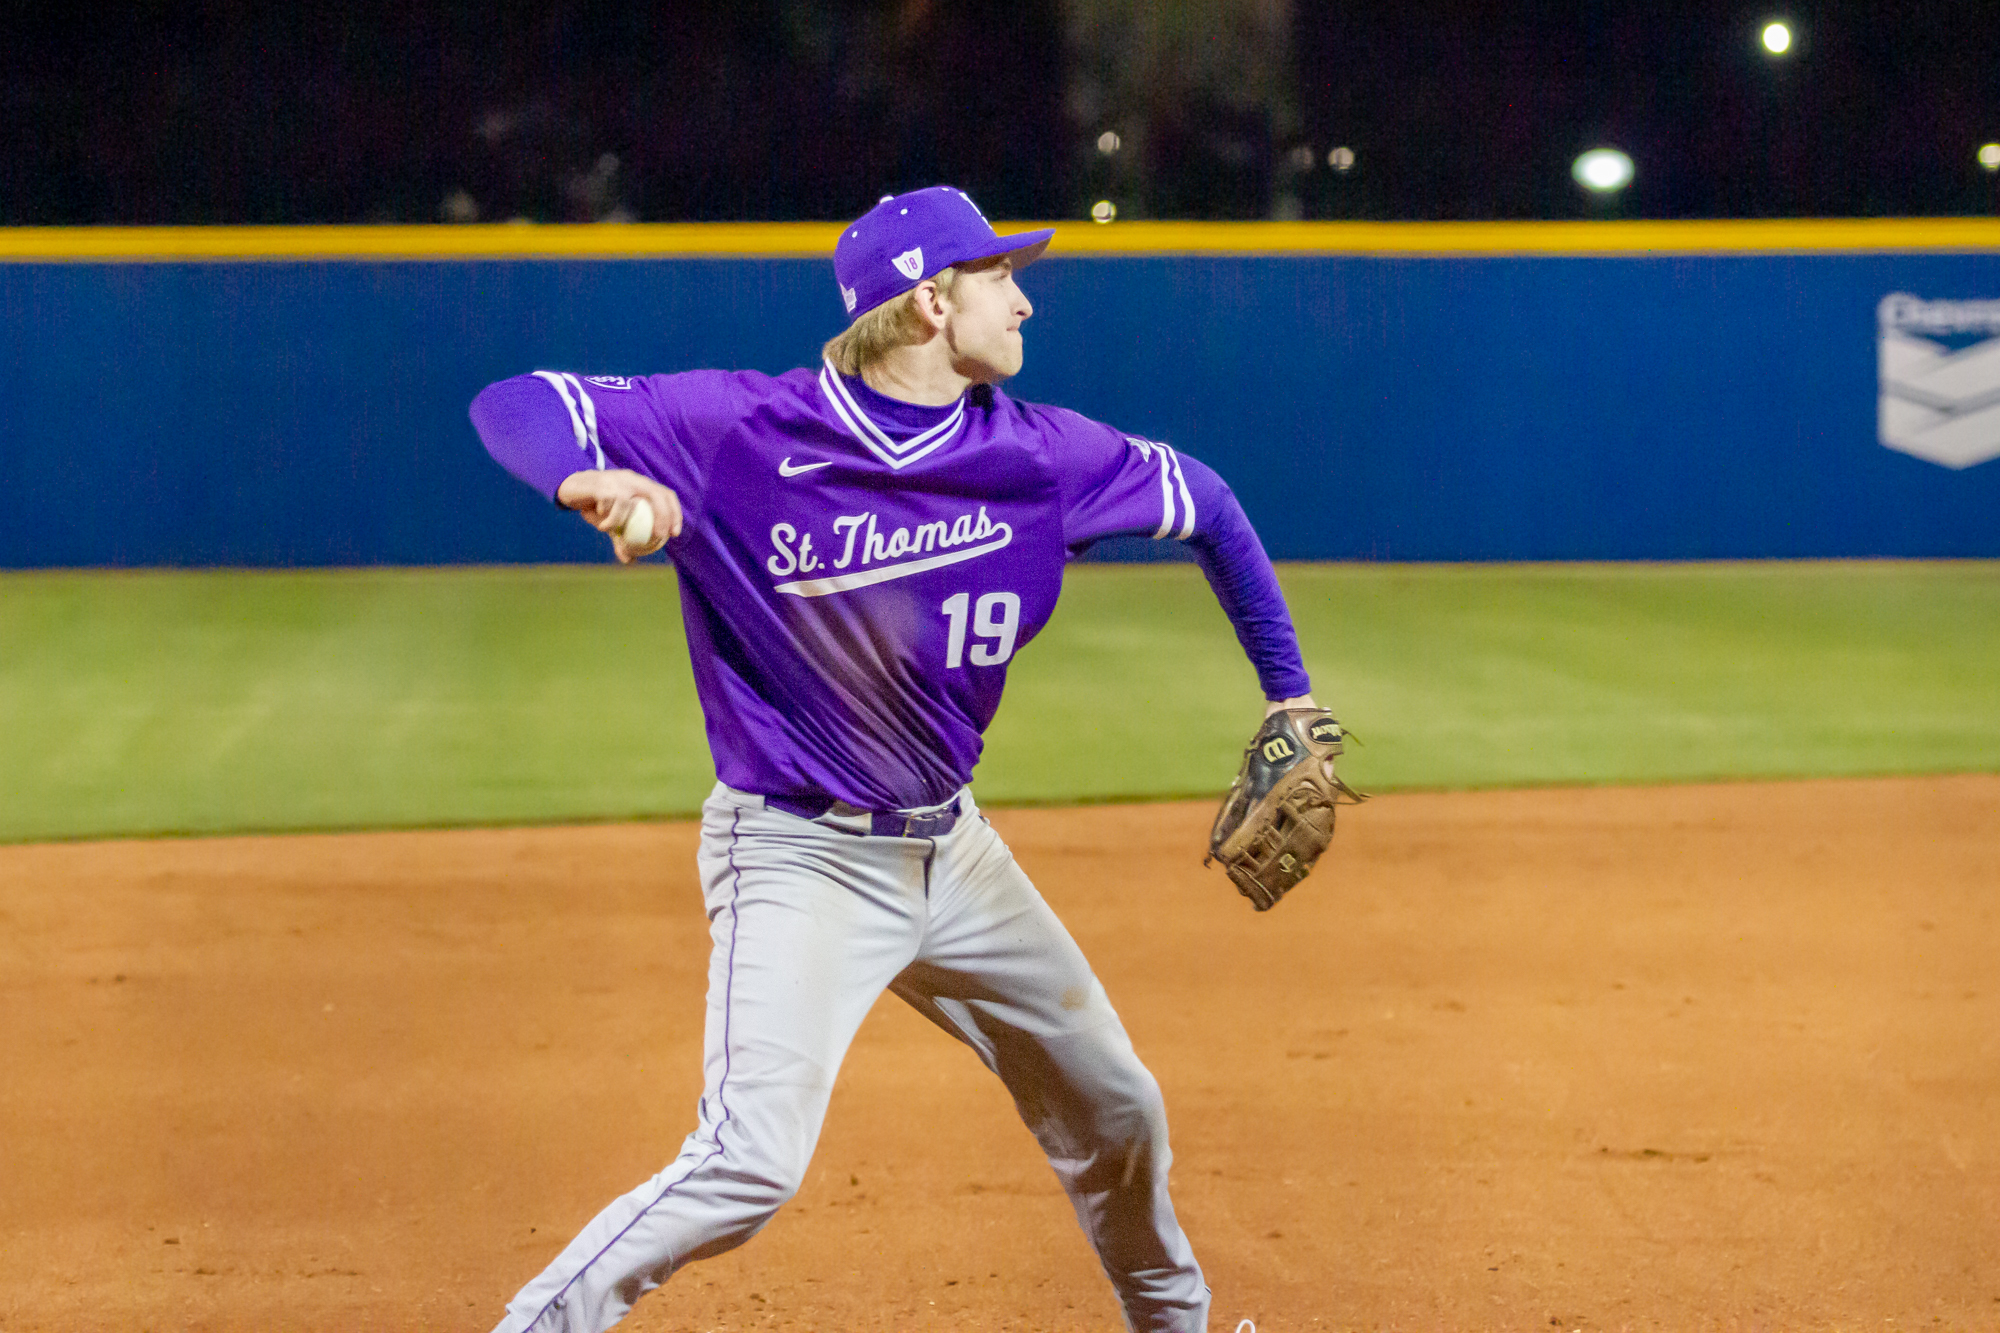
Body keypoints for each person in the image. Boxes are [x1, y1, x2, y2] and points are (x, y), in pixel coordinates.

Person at [469, 184, 1317, 1333]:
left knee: (1116, 1107)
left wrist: (1289, 691)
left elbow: (1207, 505)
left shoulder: (1036, 455)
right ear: (928, 302)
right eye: (999, 277)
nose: (1022, 299)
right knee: (748, 1162)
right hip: (797, 855)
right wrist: (587, 476)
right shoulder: (741, 432)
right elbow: (522, 402)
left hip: (956, 857)